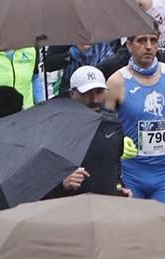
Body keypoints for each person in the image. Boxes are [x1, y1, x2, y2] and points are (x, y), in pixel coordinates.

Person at [105, 31, 165, 204]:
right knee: (134, 230)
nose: (148, 46)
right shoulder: (116, 82)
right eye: (141, 41)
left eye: (153, 41)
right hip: (131, 175)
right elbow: (104, 128)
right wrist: (118, 140)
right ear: (129, 45)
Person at [49, 67, 127, 197]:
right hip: (70, 207)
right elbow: (40, 178)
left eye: (99, 91)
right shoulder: (56, 129)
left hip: (107, 205)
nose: (94, 99)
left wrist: (119, 188)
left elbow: (114, 165)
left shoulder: (113, 124)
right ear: (72, 93)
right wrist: (62, 184)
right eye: (87, 92)